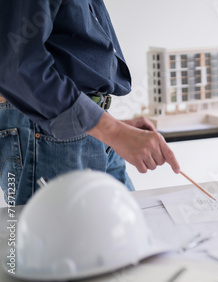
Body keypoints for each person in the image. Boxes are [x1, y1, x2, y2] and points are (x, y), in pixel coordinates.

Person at [0, 0, 180, 205]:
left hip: (87, 131)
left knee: (128, 230)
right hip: (48, 133)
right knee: (63, 236)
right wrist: (113, 131)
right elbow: (15, 65)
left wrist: (109, 123)